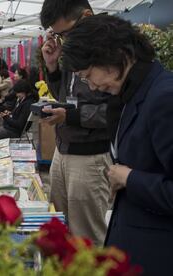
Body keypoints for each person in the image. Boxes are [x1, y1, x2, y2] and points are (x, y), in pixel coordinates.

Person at [62, 14, 173, 276]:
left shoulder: (164, 97)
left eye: (89, 75)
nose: (92, 86)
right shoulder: (130, 93)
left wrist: (130, 178)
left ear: (113, 56)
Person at [40, 0, 112, 245]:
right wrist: (52, 66)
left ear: (87, 16)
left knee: (87, 237)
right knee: (59, 227)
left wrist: (70, 116)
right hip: (64, 149)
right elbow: (64, 95)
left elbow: (114, 112)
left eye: (65, 33)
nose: (62, 40)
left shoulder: (111, 51)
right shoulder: (74, 48)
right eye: (57, 35)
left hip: (90, 155)